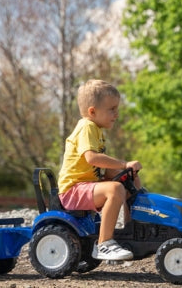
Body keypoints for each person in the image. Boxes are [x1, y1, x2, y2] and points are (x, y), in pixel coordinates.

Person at [57, 80, 142, 261]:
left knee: (131, 181)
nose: (116, 114)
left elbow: (99, 169)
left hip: (87, 185)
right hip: (73, 190)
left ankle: (132, 230)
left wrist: (126, 174)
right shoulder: (87, 127)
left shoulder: (97, 130)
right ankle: (104, 243)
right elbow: (92, 159)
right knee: (115, 189)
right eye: (112, 109)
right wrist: (123, 164)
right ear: (92, 111)